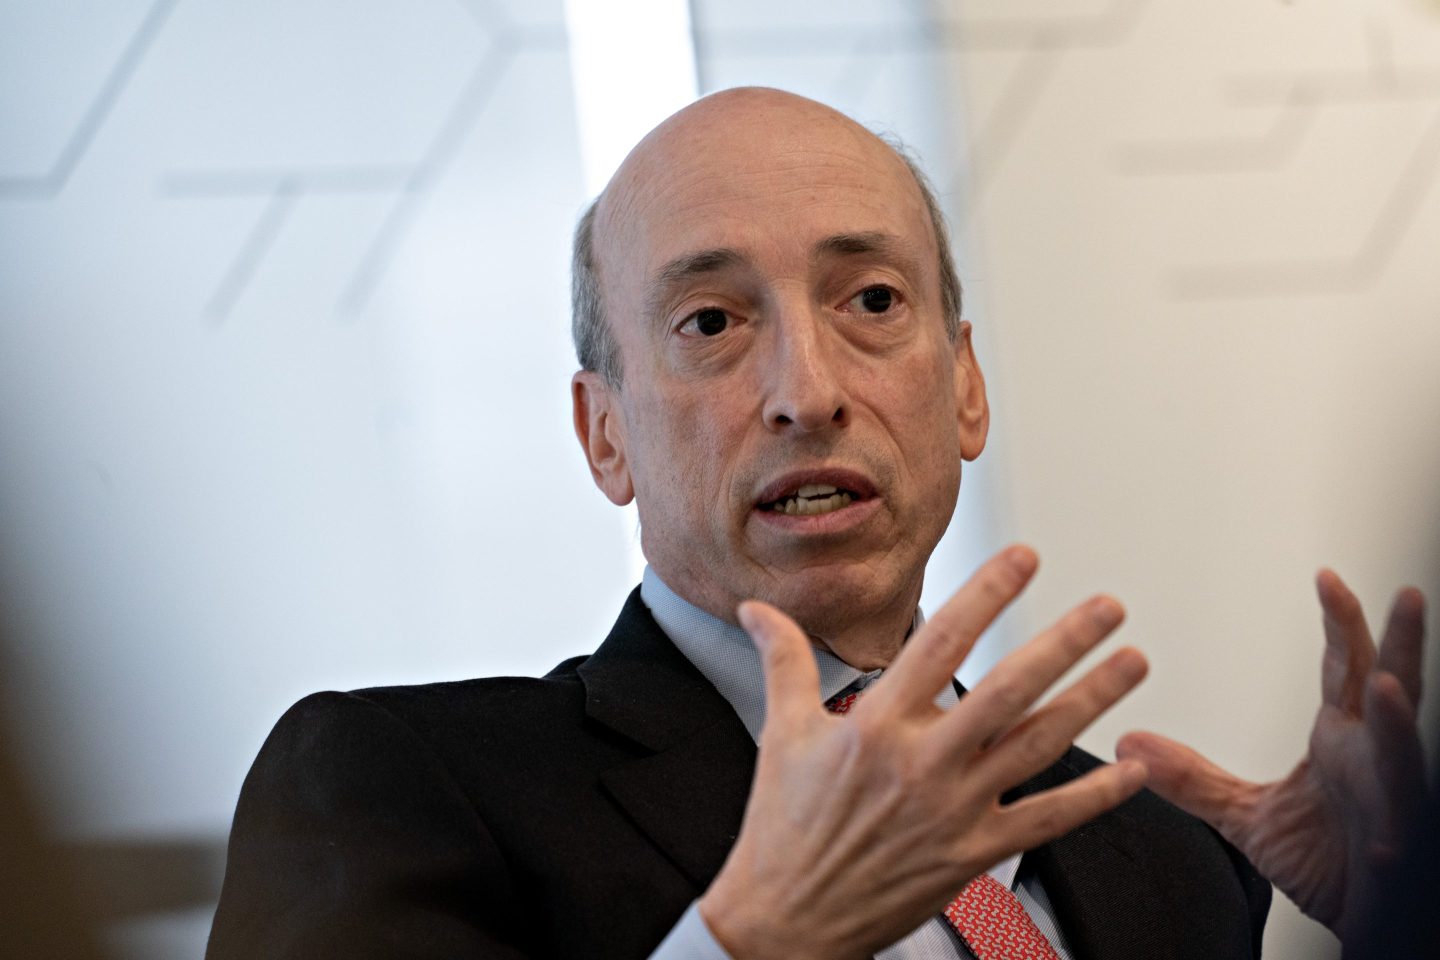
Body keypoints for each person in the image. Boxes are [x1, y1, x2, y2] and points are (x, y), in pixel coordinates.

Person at [206, 88, 1428, 960]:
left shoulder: (1165, 861)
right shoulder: (397, 790)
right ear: (604, 435)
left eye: (873, 300)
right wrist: (756, 941)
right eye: (711, 322)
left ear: (966, 387)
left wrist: (1396, 918)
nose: (809, 391)